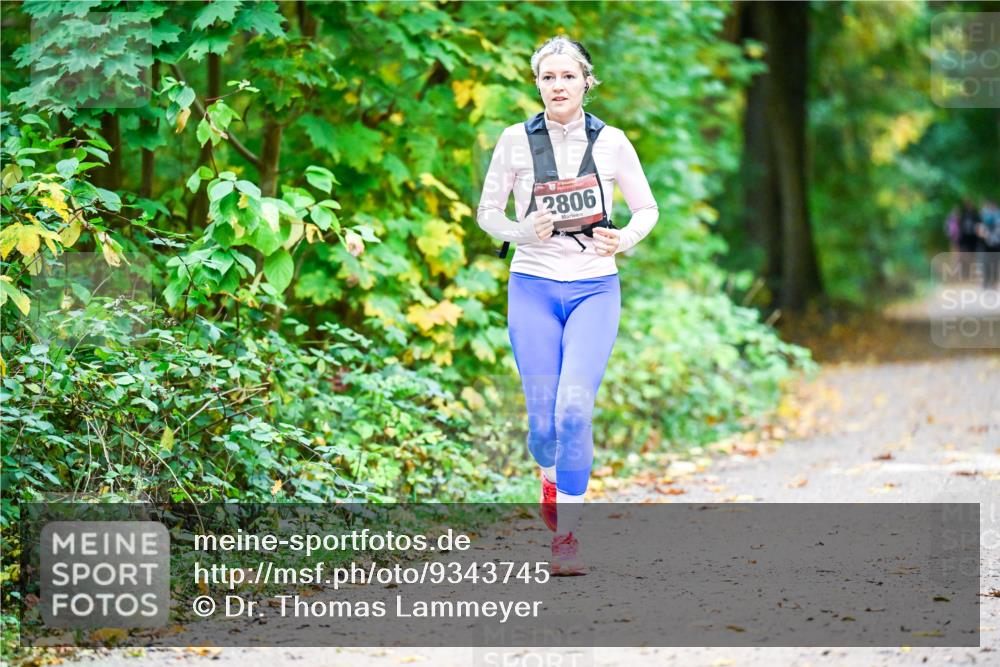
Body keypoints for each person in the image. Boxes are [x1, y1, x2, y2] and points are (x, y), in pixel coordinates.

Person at [476, 36, 658, 575]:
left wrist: (621, 239)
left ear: (586, 82)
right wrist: (520, 230)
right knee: (542, 425)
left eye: (568, 76)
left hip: (594, 288)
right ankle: (549, 474)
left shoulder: (612, 142)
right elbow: (488, 212)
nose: (558, 86)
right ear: (537, 84)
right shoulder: (514, 141)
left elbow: (646, 209)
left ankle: (568, 538)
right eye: (548, 77)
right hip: (531, 285)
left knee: (574, 410)